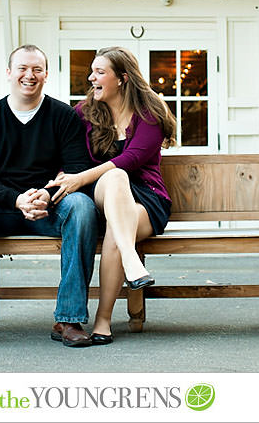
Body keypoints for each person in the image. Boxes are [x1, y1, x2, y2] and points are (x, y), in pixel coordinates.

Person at [0, 44, 99, 348]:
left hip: (50, 208)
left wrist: (45, 195)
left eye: (37, 69)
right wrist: (17, 199)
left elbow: (78, 167)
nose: (30, 75)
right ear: (9, 73)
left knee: (81, 206)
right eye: (23, 69)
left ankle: (69, 318)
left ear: (46, 75)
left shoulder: (64, 116)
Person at [46, 46, 176, 345]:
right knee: (114, 178)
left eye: (100, 72)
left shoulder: (149, 112)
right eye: (92, 71)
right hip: (101, 197)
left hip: (146, 198)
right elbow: (69, 155)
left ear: (123, 78)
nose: (92, 78)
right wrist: (68, 177)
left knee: (118, 228)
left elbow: (131, 159)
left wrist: (82, 178)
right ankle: (133, 263)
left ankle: (103, 321)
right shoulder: (84, 112)